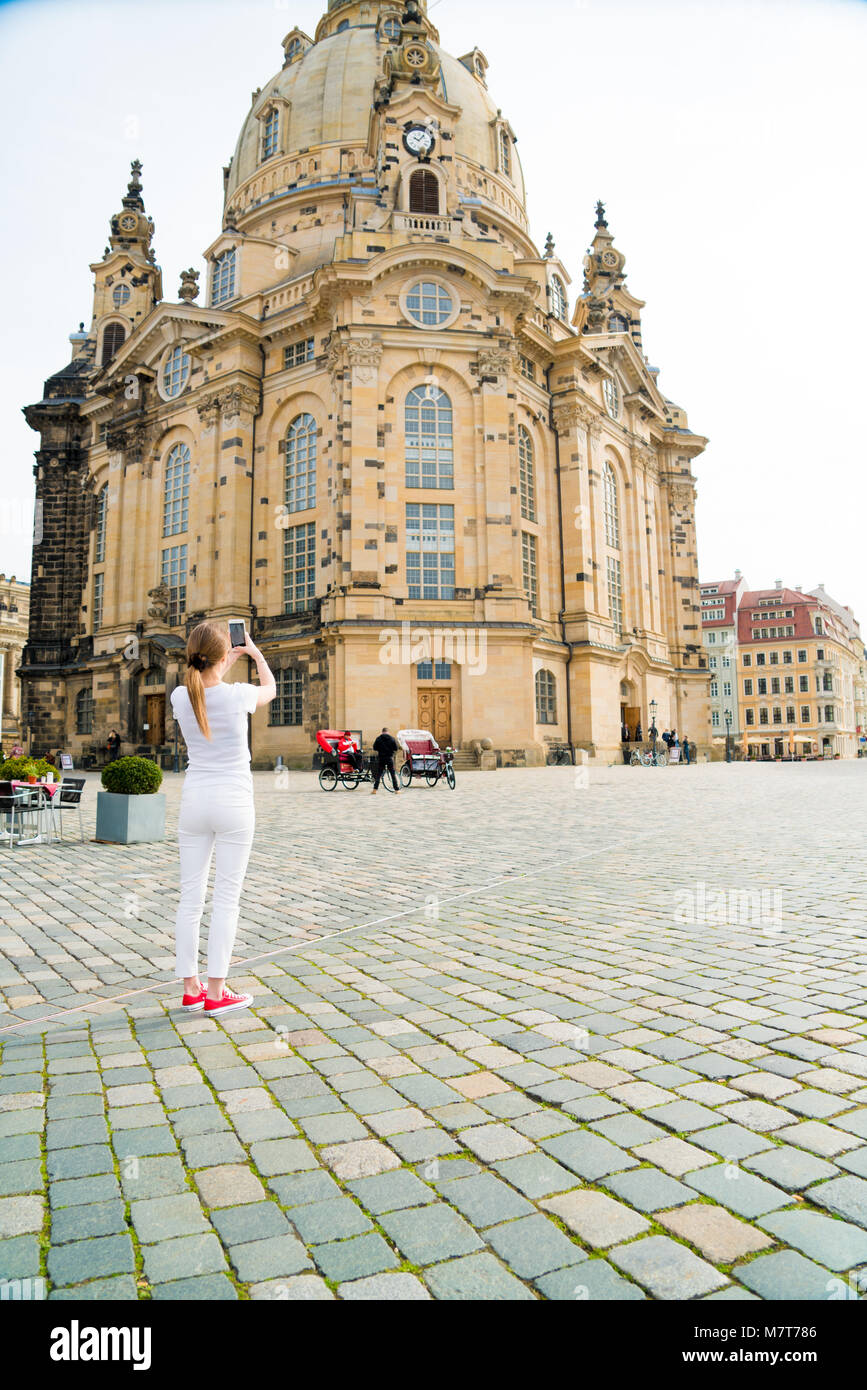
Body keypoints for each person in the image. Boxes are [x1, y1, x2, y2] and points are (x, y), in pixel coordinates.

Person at [170, 620, 276, 1018]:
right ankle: (217, 991)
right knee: (226, 899)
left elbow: (206, 683)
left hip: (194, 803)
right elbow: (271, 688)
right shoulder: (239, 695)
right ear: (221, 657)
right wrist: (252, 651)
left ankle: (191, 988)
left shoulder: (182, 696)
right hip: (233, 803)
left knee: (190, 898)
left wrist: (223, 658)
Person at [371, 727, 401, 794]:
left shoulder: (378, 738)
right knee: (392, 774)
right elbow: (396, 748)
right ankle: (396, 790)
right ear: (388, 732)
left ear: (382, 732)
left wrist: (380, 749)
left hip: (381, 758)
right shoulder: (392, 738)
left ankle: (374, 790)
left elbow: (374, 747)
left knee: (379, 774)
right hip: (389, 758)